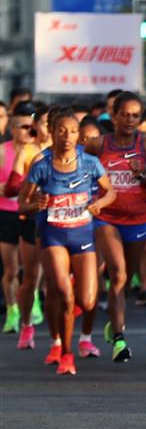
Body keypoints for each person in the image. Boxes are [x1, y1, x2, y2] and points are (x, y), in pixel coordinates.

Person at [17, 110, 116, 375]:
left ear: (79, 134)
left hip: (83, 234)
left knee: (87, 299)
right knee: (63, 292)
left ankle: (76, 334)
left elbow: (111, 192)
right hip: (53, 235)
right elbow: (21, 205)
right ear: (52, 130)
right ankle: (65, 352)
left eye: (73, 131)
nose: (67, 136)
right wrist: (35, 204)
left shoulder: (90, 162)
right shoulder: (42, 165)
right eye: (61, 130)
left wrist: (99, 204)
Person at [83, 92, 146, 362]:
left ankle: (114, 324)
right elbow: (81, 173)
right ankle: (120, 339)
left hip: (137, 219)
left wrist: (142, 176)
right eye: (125, 114)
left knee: (124, 280)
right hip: (106, 217)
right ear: (115, 116)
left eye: (135, 115)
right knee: (118, 273)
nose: (130, 120)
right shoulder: (98, 144)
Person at [6, 104, 49, 347]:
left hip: (61, 219)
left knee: (59, 279)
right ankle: (26, 324)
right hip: (31, 217)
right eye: (44, 123)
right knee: (30, 275)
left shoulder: (70, 151)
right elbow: (12, 188)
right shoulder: (28, 151)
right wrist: (30, 184)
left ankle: (60, 340)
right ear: (37, 126)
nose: (49, 128)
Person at [0, 104, 35, 333]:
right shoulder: (3, 151)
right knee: (11, 269)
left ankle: (34, 303)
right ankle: (12, 310)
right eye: (23, 127)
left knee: (32, 269)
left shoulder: (38, 152)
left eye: (32, 128)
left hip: (31, 213)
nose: (28, 132)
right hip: (6, 214)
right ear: (12, 128)